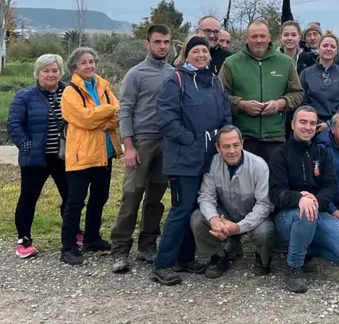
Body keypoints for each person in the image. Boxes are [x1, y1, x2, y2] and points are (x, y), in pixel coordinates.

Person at [151, 36, 232, 286]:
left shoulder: (215, 82)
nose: (200, 55)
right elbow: (166, 119)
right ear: (186, 54)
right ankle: (163, 263)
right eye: (195, 51)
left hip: (209, 159)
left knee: (196, 210)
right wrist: (191, 140)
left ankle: (185, 258)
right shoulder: (175, 81)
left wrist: (224, 137)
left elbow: (225, 113)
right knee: (181, 209)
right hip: (183, 160)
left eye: (204, 51)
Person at [268, 106, 339, 294]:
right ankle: (294, 267)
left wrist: (315, 201)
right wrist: (300, 198)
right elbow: (276, 192)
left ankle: (303, 247)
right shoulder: (280, 154)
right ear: (293, 124)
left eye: (312, 123)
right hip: (288, 216)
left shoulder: (322, 153)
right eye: (303, 122)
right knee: (306, 213)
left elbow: (330, 186)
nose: (308, 127)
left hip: (318, 210)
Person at [110, 24, 173, 273]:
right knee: (132, 195)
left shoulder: (173, 72)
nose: (162, 46)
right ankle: (120, 250)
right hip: (141, 142)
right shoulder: (135, 74)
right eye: (157, 42)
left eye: (166, 42)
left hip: (165, 143)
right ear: (147, 44)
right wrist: (129, 146)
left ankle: (147, 245)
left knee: (156, 198)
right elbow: (124, 110)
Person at [59, 47, 121, 266]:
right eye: (84, 62)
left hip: (105, 153)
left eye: (92, 61)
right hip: (82, 155)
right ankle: (68, 247)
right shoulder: (70, 92)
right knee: (75, 201)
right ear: (74, 67)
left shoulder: (103, 86)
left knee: (100, 197)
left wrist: (102, 116)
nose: (89, 66)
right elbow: (83, 118)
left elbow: (118, 112)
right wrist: (106, 113)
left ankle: (92, 238)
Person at [7, 54, 72, 258]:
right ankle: (23, 240)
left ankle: (72, 234)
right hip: (36, 158)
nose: (51, 74)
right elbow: (14, 125)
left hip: (65, 157)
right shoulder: (25, 96)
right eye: (46, 70)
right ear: (37, 73)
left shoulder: (71, 92)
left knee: (71, 197)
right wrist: (27, 146)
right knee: (28, 198)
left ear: (61, 72)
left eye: (55, 70)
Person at [190, 125, 275, 279]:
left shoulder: (259, 165)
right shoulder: (213, 163)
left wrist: (238, 227)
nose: (232, 151)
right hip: (227, 214)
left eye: (236, 145)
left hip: (254, 215)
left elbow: (264, 205)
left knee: (265, 231)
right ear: (217, 148)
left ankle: (263, 260)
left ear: (242, 143)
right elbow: (206, 196)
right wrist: (214, 219)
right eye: (226, 146)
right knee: (198, 218)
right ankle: (216, 257)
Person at [217, 20, 304, 161]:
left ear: (269, 38)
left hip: (275, 138)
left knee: (273, 182)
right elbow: (219, 96)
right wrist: (241, 105)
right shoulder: (231, 63)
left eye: (263, 36)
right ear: (247, 38)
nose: (259, 40)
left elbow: (298, 94)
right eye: (254, 36)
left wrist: (280, 104)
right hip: (242, 138)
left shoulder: (285, 63)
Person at [300, 32, 339, 136]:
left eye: (332, 46)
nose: (328, 49)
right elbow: (303, 102)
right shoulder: (306, 73)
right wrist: (315, 122)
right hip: (311, 126)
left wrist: (330, 123)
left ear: (336, 50)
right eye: (325, 45)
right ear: (319, 48)